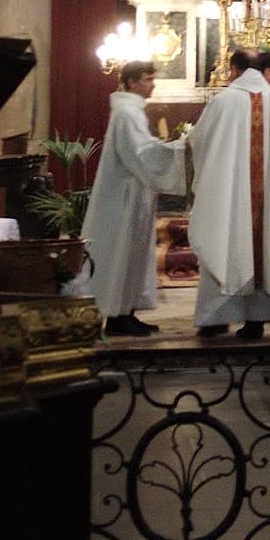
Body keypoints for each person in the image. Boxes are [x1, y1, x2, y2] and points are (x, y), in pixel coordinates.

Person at [188, 48, 270, 339]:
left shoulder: (224, 101)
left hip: (229, 196)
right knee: (265, 244)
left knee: (225, 243)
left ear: (234, 70)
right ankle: (256, 320)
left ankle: (215, 318)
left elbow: (200, 143)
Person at [84, 61, 186, 338]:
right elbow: (141, 154)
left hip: (134, 193)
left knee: (133, 255)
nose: (153, 84)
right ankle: (118, 317)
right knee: (123, 253)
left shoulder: (130, 111)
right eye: (147, 79)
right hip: (124, 197)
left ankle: (126, 312)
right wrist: (179, 148)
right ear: (130, 82)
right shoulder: (128, 114)